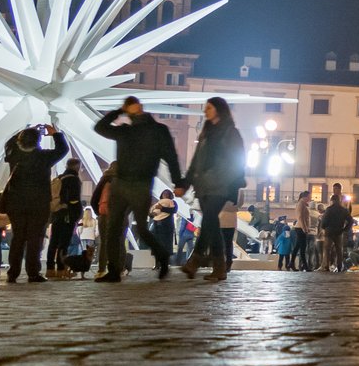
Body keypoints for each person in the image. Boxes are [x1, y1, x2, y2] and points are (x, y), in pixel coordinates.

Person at [93, 95, 187, 282]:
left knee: (139, 229)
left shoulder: (155, 131)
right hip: (127, 184)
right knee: (114, 229)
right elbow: (99, 128)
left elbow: (170, 157)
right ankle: (114, 270)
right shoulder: (128, 131)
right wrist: (120, 112)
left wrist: (178, 182)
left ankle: (161, 256)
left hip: (137, 184)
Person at [182, 97, 245, 283]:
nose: (205, 111)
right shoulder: (206, 133)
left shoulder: (231, 133)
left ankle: (196, 260)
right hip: (203, 185)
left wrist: (234, 183)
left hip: (221, 184)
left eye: (208, 108)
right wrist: (187, 181)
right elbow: (196, 160)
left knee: (209, 218)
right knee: (212, 224)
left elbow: (238, 159)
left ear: (218, 109)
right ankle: (218, 267)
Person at [2, 125, 67, 283]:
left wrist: (25, 129)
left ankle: (13, 273)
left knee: (18, 238)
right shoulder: (43, 157)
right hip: (38, 203)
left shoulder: (14, 155)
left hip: (16, 203)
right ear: (38, 141)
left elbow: (8, 144)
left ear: (20, 141)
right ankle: (33, 272)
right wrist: (55, 134)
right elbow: (62, 149)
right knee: (34, 239)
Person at [48, 158, 84, 277]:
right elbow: (74, 199)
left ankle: (50, 268)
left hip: (57, 213)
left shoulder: (60, 178)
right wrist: (77, 212)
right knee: (64, 243)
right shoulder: (73, 179)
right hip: (68, 214)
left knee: (54, 242)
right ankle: (61, 268)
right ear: (76, 166)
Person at [318, 183, 352, 272]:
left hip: (330, 231)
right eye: (333, 189)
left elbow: (324, 220)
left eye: (335, 189)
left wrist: (324, 227)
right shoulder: (343, 209)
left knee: (327, 249)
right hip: (339, 230)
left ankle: (327, 266)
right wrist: (345, 229)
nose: (334, 191)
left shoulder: (330, 208)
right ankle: (339, 266)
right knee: (339, 250)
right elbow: (350, 219)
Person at [293, 191, 315, 272]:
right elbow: (300, 217)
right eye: (309, 196)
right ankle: (305, 266)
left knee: (297, 247)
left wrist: (306, 227)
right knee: (302, 248)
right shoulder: (301, 204)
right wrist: (304, 228)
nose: (310, 198)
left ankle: (292, 263)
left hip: (301, 228)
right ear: (305, 197)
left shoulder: (303, 204)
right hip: (300, 228)